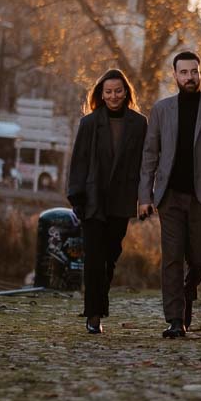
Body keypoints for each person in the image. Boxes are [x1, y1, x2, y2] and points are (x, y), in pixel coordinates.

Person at [139, 51, 201, 339]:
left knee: (199, 257)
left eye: (194, 72)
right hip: (169, 196)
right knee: (171, 258)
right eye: (184, 72)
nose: (189, 77)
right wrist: (145, 195)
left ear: (199, 73)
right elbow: (149, 155)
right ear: (175, 75)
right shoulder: (161, 109)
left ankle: (188, 289)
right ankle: (175, 321)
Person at [66, 69, 147, 334]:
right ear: (101, 94)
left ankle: (99, 304)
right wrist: (76, 198)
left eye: (118, 91)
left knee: (110, 258)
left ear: (126, 93)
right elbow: (78, 161)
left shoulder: (139, 123)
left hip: (122, 200)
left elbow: (145, 164)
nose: (113, 96)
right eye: (108, 91)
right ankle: (93, 314)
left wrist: (145, 197)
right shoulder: (89, 123)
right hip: (93, 199)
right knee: (93, 259)